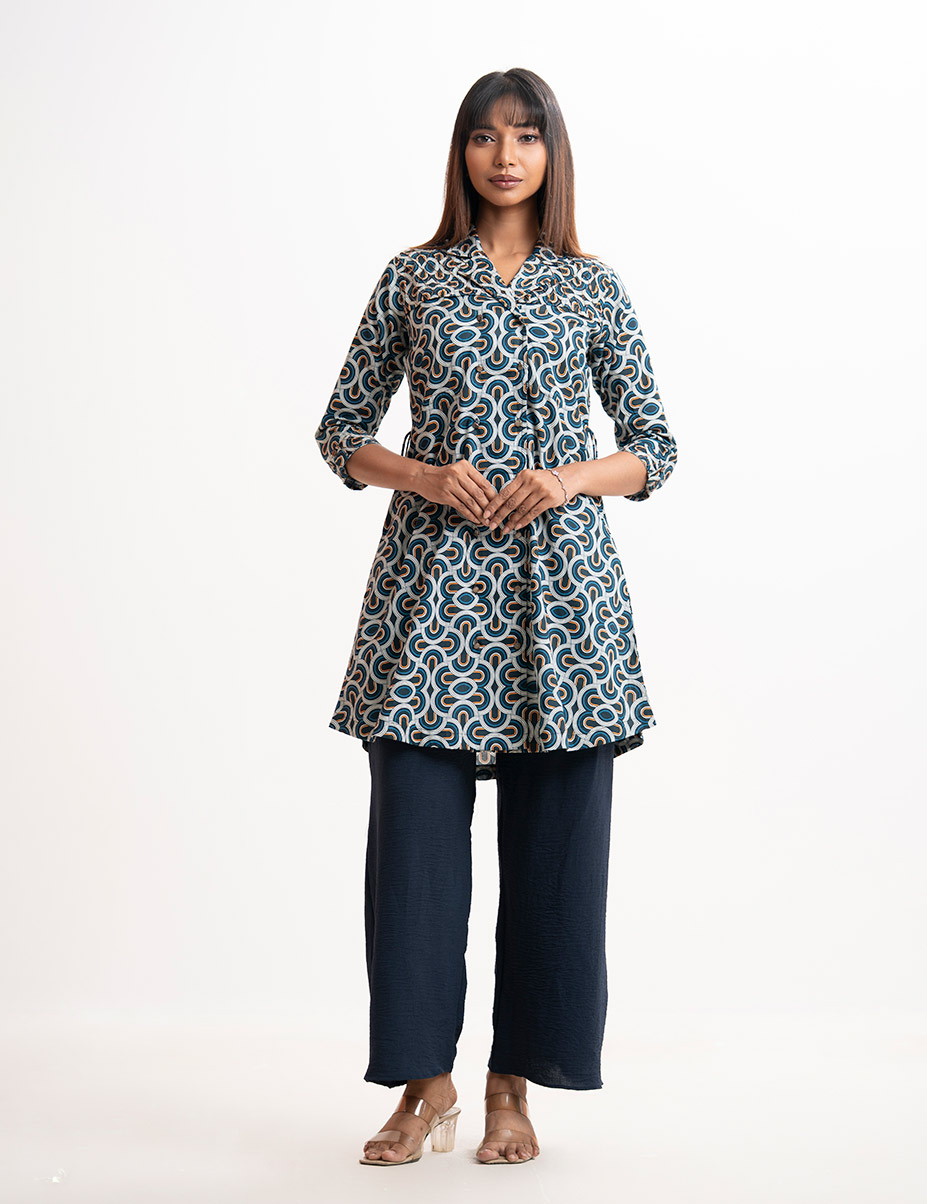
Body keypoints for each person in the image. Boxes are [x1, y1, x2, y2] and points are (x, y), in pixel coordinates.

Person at [314, 67, 678, 1167]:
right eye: (484, 136)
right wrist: (424, 476)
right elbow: (340, 432)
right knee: (414, 857)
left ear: (551, 152)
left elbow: (653, 446)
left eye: (525, 136)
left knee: (557, 861)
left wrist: (568, 478)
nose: (505, 155)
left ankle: (513, 1083)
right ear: (461, 153)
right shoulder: (414, 278)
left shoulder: (591, 287)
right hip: (430, 599)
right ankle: (423, 1086)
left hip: (563, 605)